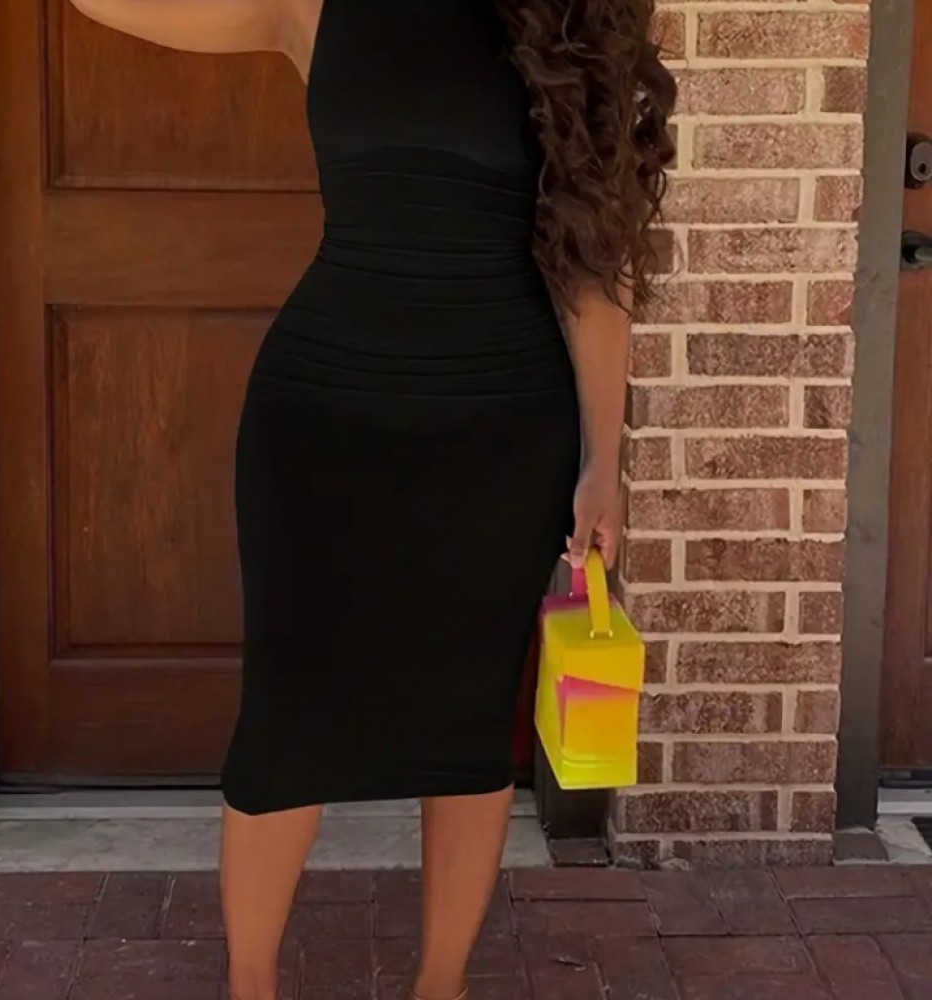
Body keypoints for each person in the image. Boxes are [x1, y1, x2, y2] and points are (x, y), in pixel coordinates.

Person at [67, 1, 676, 998]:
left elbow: (592, 273)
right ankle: (249, 986)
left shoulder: (564, 24)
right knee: (286, 718)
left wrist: (602, 461)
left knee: (467, 724)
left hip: (498, 430)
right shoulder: (309, 7)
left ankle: (440, 986)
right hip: (322, 417)